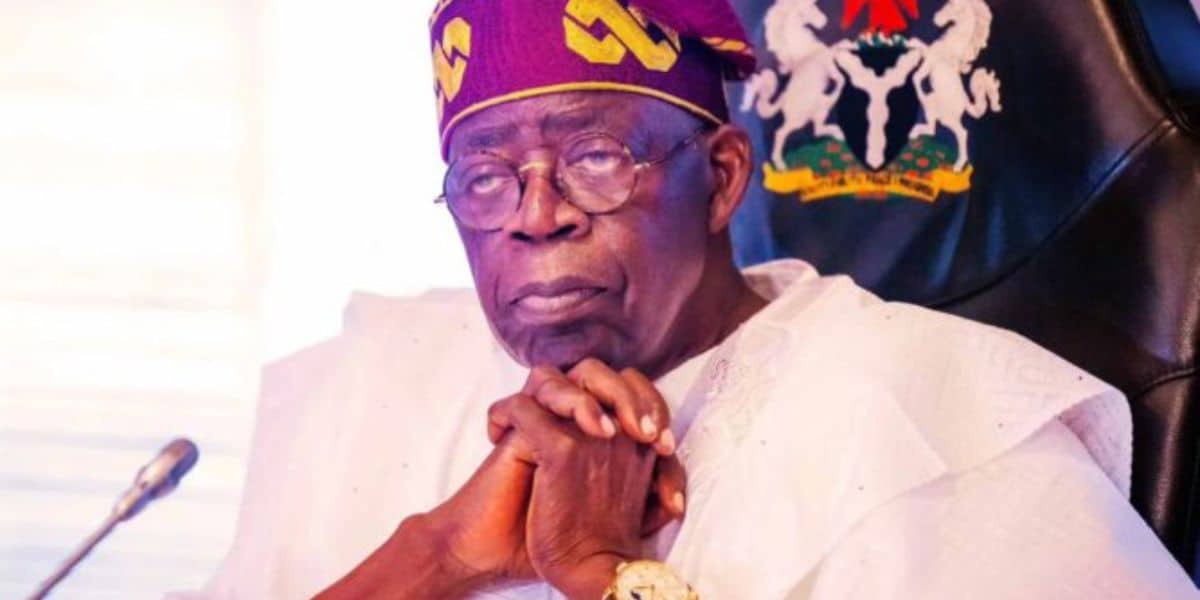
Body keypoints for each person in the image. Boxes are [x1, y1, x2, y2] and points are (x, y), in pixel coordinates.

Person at [174, 0, 1198, 598]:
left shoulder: (936, 416)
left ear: (719, 178)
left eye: (595, 158)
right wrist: (435, 554)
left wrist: (607, 571)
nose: (536, 215)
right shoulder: (376, 378)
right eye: (485, 177)